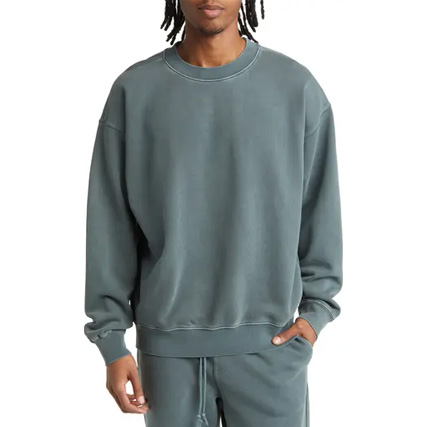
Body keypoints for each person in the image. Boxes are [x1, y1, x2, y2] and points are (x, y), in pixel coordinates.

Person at [83, 1, 344, 426]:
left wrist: (315, 315)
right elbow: (109, 222)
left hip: (272, 351)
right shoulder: (134, 92)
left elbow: (320, 208)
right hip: (167, 358)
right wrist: (111, 341)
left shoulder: (295, 89)